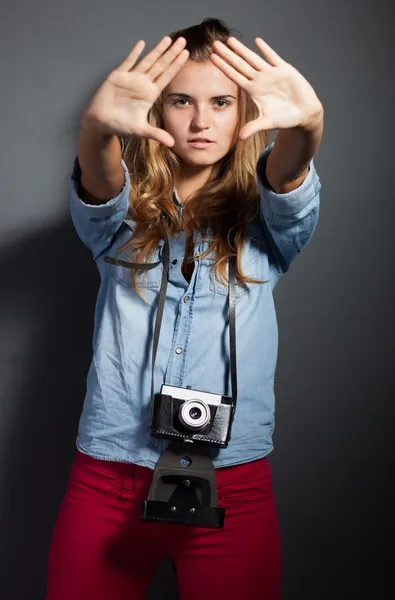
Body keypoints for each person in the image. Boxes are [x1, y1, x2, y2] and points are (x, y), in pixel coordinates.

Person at [45, 17, 323, 600]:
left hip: (232, 485)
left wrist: (308, 127)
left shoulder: (268, 223)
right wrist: (95, 129)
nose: (201, 121)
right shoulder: (117, 219)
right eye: (181, 101)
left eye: (221, 102)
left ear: (244, 113)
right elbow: (100, 178)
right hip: (108, 478)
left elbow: (288, 171)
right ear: (157, 110)